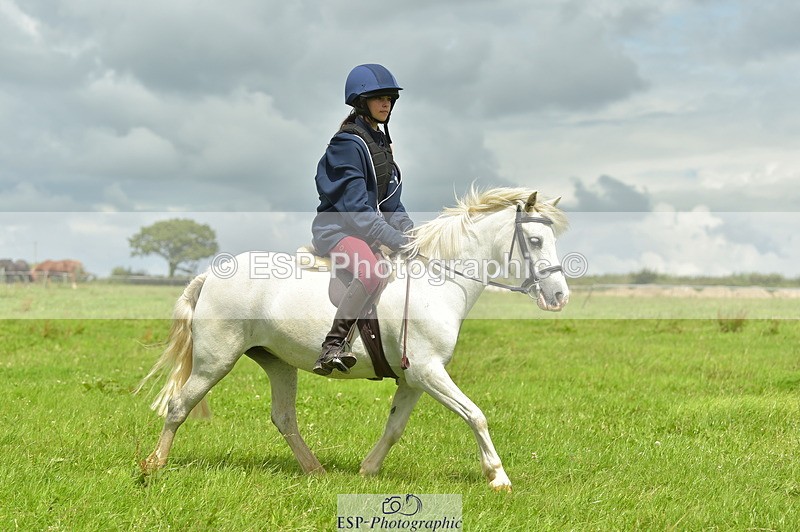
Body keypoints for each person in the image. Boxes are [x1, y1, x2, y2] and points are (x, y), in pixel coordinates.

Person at [310, 64, 414, 376]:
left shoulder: (380, 143)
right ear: (361, 102)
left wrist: (411, 233)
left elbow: (391, 204)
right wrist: (395, 240)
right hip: (339, 230)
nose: (386, 103)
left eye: (390, 98)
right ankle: (332, 346)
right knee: (371, 272)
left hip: (368, 232)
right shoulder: (346, 144)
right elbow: (357, 211)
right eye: (378, 98)